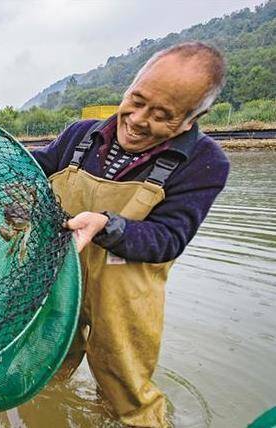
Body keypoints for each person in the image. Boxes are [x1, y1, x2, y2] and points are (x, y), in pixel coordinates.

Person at [31, 42, 230, 427]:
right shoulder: (80, 136)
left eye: (162, 116)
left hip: (125, 299)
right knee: (42, 378)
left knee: (128, 400)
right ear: (129, 88)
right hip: (57, 282)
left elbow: (168, 238)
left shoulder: (205, 162)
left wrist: (108, 225)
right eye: (136, 101)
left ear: (192, 118)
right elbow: (32, 167)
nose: (138, 120)